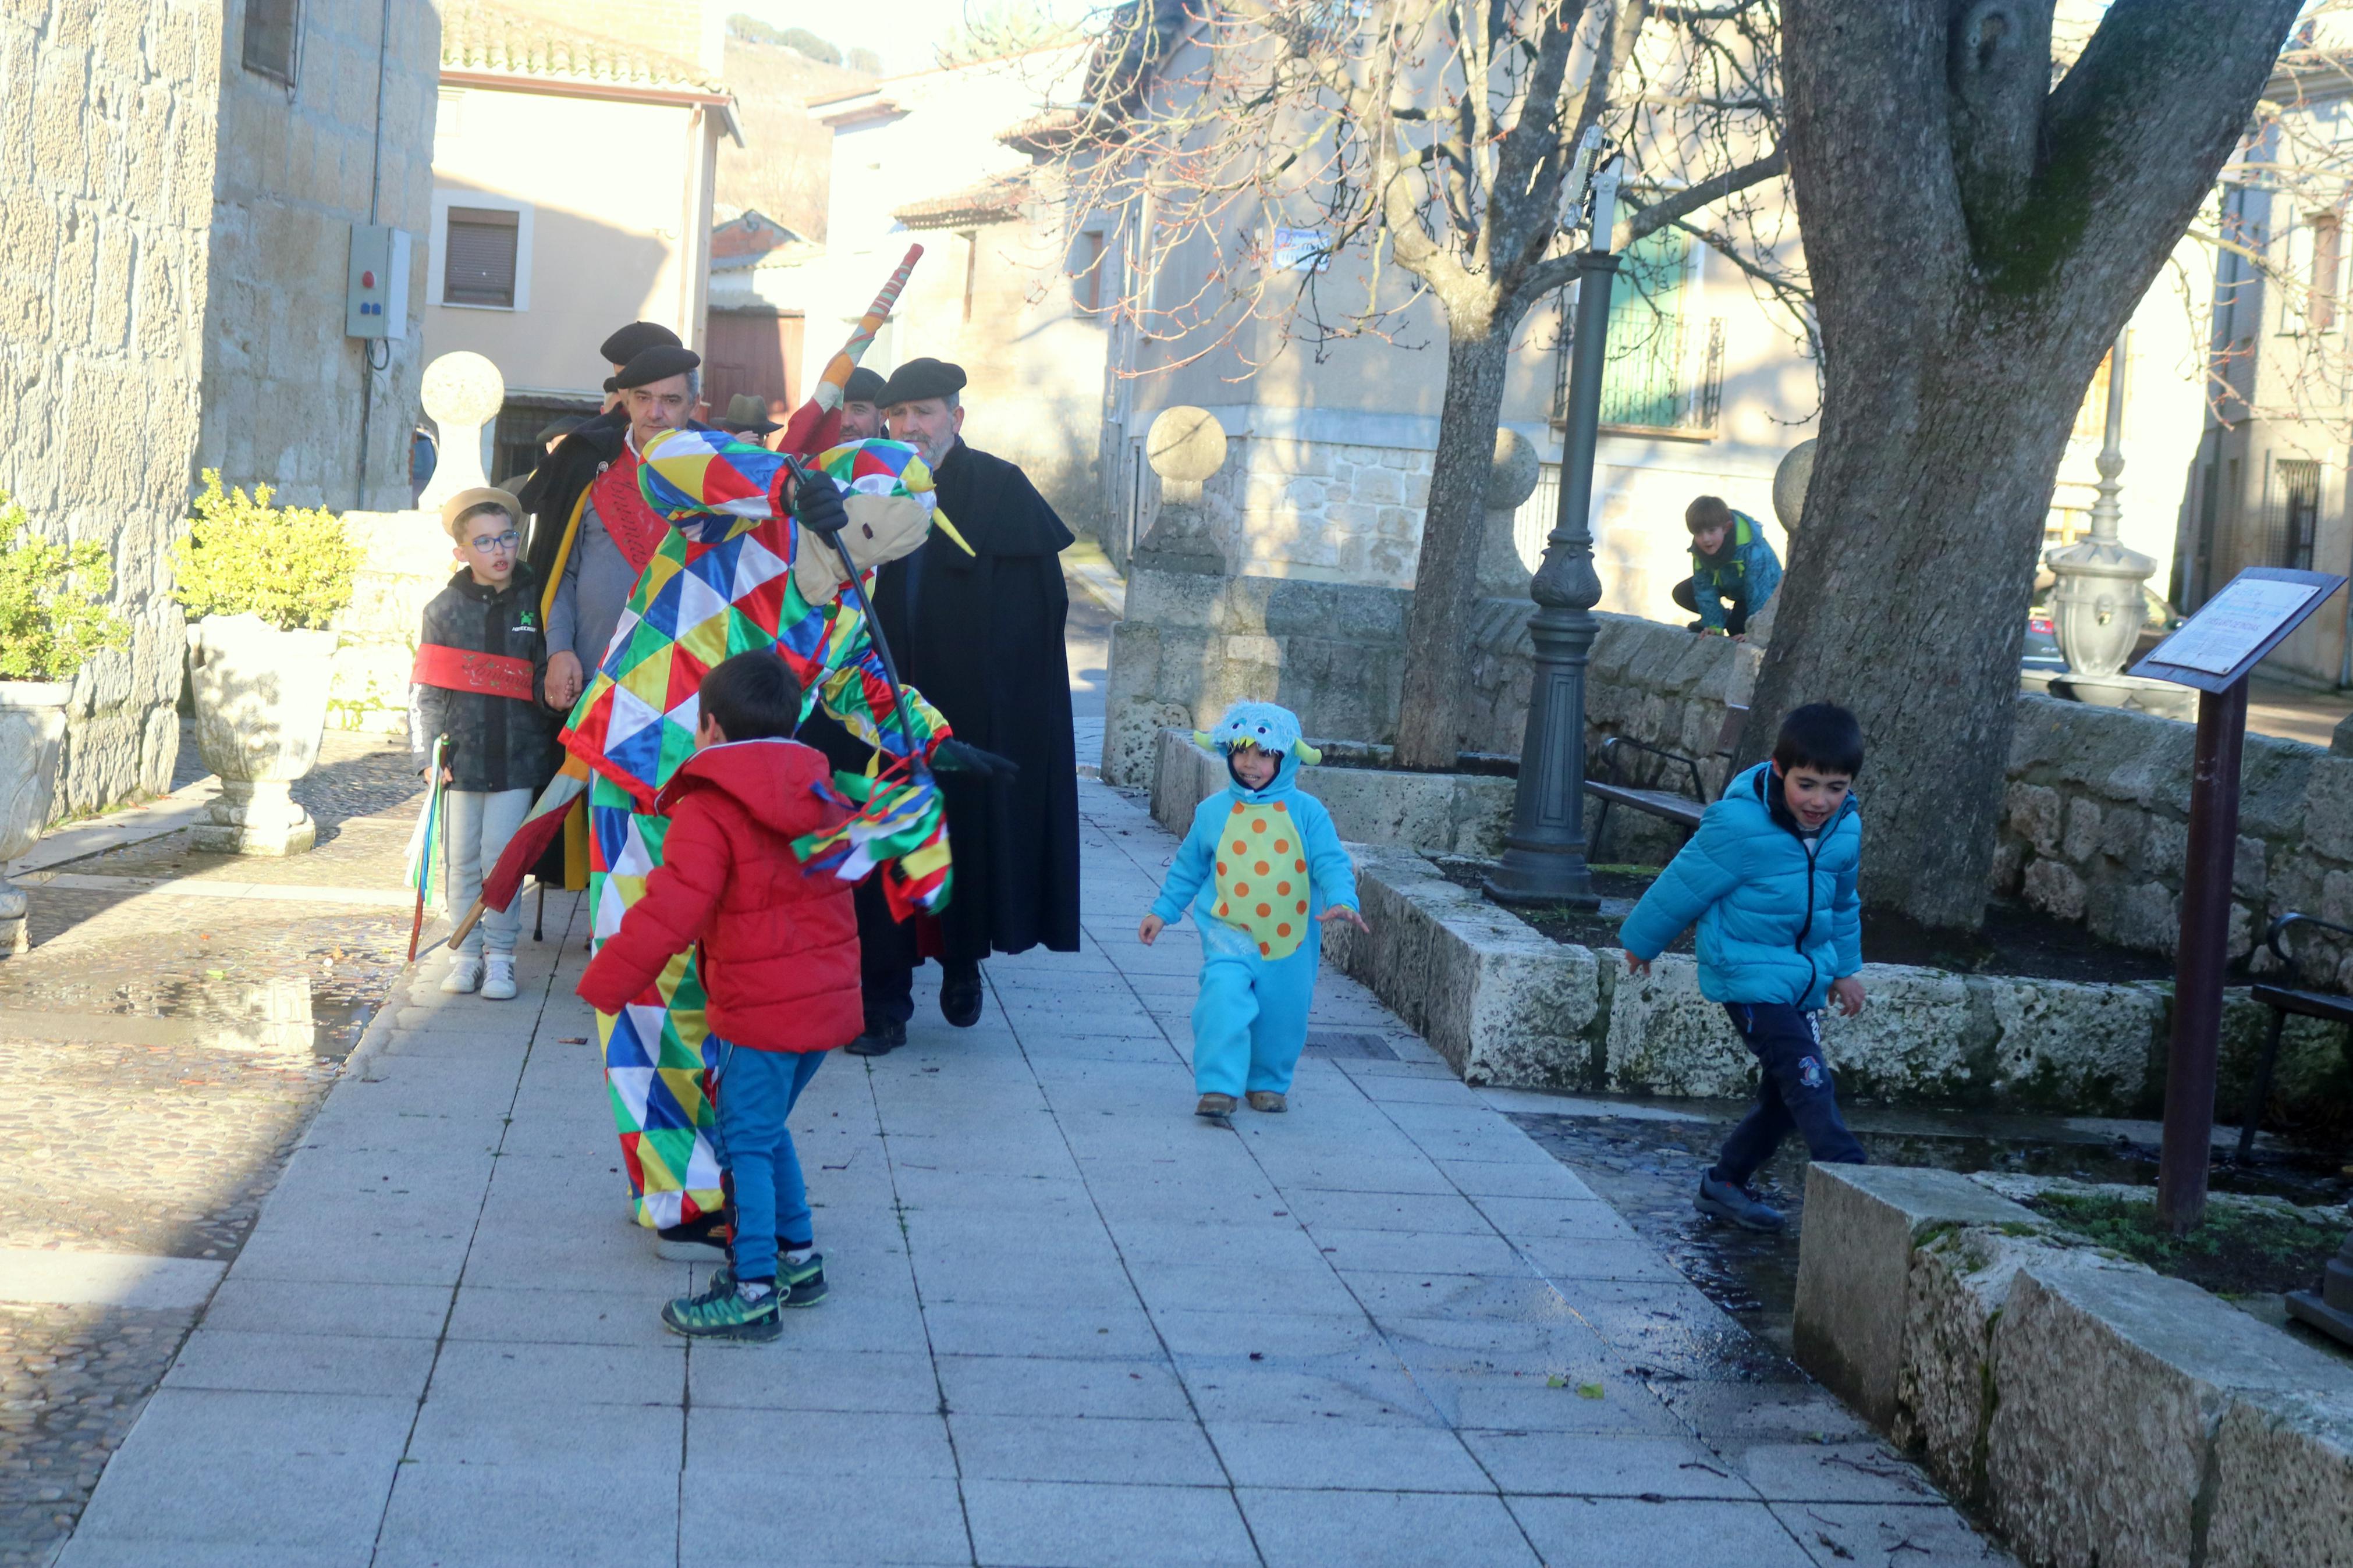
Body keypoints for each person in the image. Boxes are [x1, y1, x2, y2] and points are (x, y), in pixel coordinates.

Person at [567, 428, 957, 1260]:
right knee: (654, 993)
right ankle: (678, 1198)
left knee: (721, 995)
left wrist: (929, 735)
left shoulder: (847, 594)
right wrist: (784, 482)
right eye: (864, 534)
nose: (871, 557)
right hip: (646, 772)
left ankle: (716, 1171)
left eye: (894, 545)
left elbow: (854, 677)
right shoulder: (730, 522)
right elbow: (667, 459)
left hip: (735, 799)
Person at [577, 651, 858, 1341]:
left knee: (742, 1145)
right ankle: (798, 1260)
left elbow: (672, 911)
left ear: (707, 727)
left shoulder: (710, 807)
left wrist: (606, 981)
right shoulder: (821, 791)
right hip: (823, 1007)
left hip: (756, 1008)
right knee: (766, 1130)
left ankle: (753, 1286)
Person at [834, 357, 1082, 1055]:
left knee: (965, 842)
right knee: (880, 845)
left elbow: (1039, 612)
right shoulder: (861, 487)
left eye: (925, 414)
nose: (910, 427)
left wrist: (996, 683)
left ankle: (961, 962)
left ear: (956, 418)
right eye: (899, 415)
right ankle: (882, 1004)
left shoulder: (1000, 490)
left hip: (968, 706)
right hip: (874, 707)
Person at [1616, 702, 1869, 1232]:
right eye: (1807, 784)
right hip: (1747, 975)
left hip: (1803, 979)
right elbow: (1682, 884)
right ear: (1779, 770)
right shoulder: (1738, 824)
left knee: (1783, 1097)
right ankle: (1858, 1187)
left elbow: (1841, 904)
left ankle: (1724, 1183)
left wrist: (1845, 969)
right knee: (1808, 1076)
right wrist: (1642, 943)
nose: (1820, 800)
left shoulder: (1844, 829)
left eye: (1835, 786)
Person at [1139, 703, 1369, 1117]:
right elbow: (1188, 867)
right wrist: (1163, 910)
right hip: (1228, 932)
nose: (1249, 763)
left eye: (1264, 754)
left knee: (1283, 1014)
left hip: (1291, 938)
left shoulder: (1307, 812)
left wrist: (1341, 899)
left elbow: (1330, 862)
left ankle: (1266, 1081)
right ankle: (1218, 1086)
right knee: (1221, 999)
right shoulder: (1212, 812)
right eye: (1241, 751)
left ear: (1287, 757)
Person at [409, 487, 561, 1001]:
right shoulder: (443, 609)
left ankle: (500, 957)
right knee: (461, 861)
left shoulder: (541, 598)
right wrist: (427, 757)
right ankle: (466, 954)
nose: (499, 551)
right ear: (462, 552)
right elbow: (425, 692)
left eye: (506, 538)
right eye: (484, 542)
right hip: (462, 759)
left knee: (503, 859)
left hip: (519, 756)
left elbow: (550, 671)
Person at [1670, 495, 1782, 637]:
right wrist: (1714, 626)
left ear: (1726, 528)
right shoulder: (1699, 551)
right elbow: (1704, 589)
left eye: (1711, 531)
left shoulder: (1751, 550)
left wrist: (1754, 631)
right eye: (1699, 533)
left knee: (1736, 628)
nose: (1706, 539)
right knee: (1683, 593)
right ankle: (1723, 618)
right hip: (1730, 584)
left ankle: (1736, 619)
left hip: (1763, 591)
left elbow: (1759, 591)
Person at [838, 366, 887, 441]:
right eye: (839, 412)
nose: (846, 423)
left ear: (882, 417)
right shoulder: (817, 451)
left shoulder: (902, 452)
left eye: (858, 410)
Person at [716, 392, 782, 443]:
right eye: (743, 435)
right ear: (726, 431)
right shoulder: (711, 447)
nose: (752, 443)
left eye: (760, 436)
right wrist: (733, 447)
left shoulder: (767, 459)